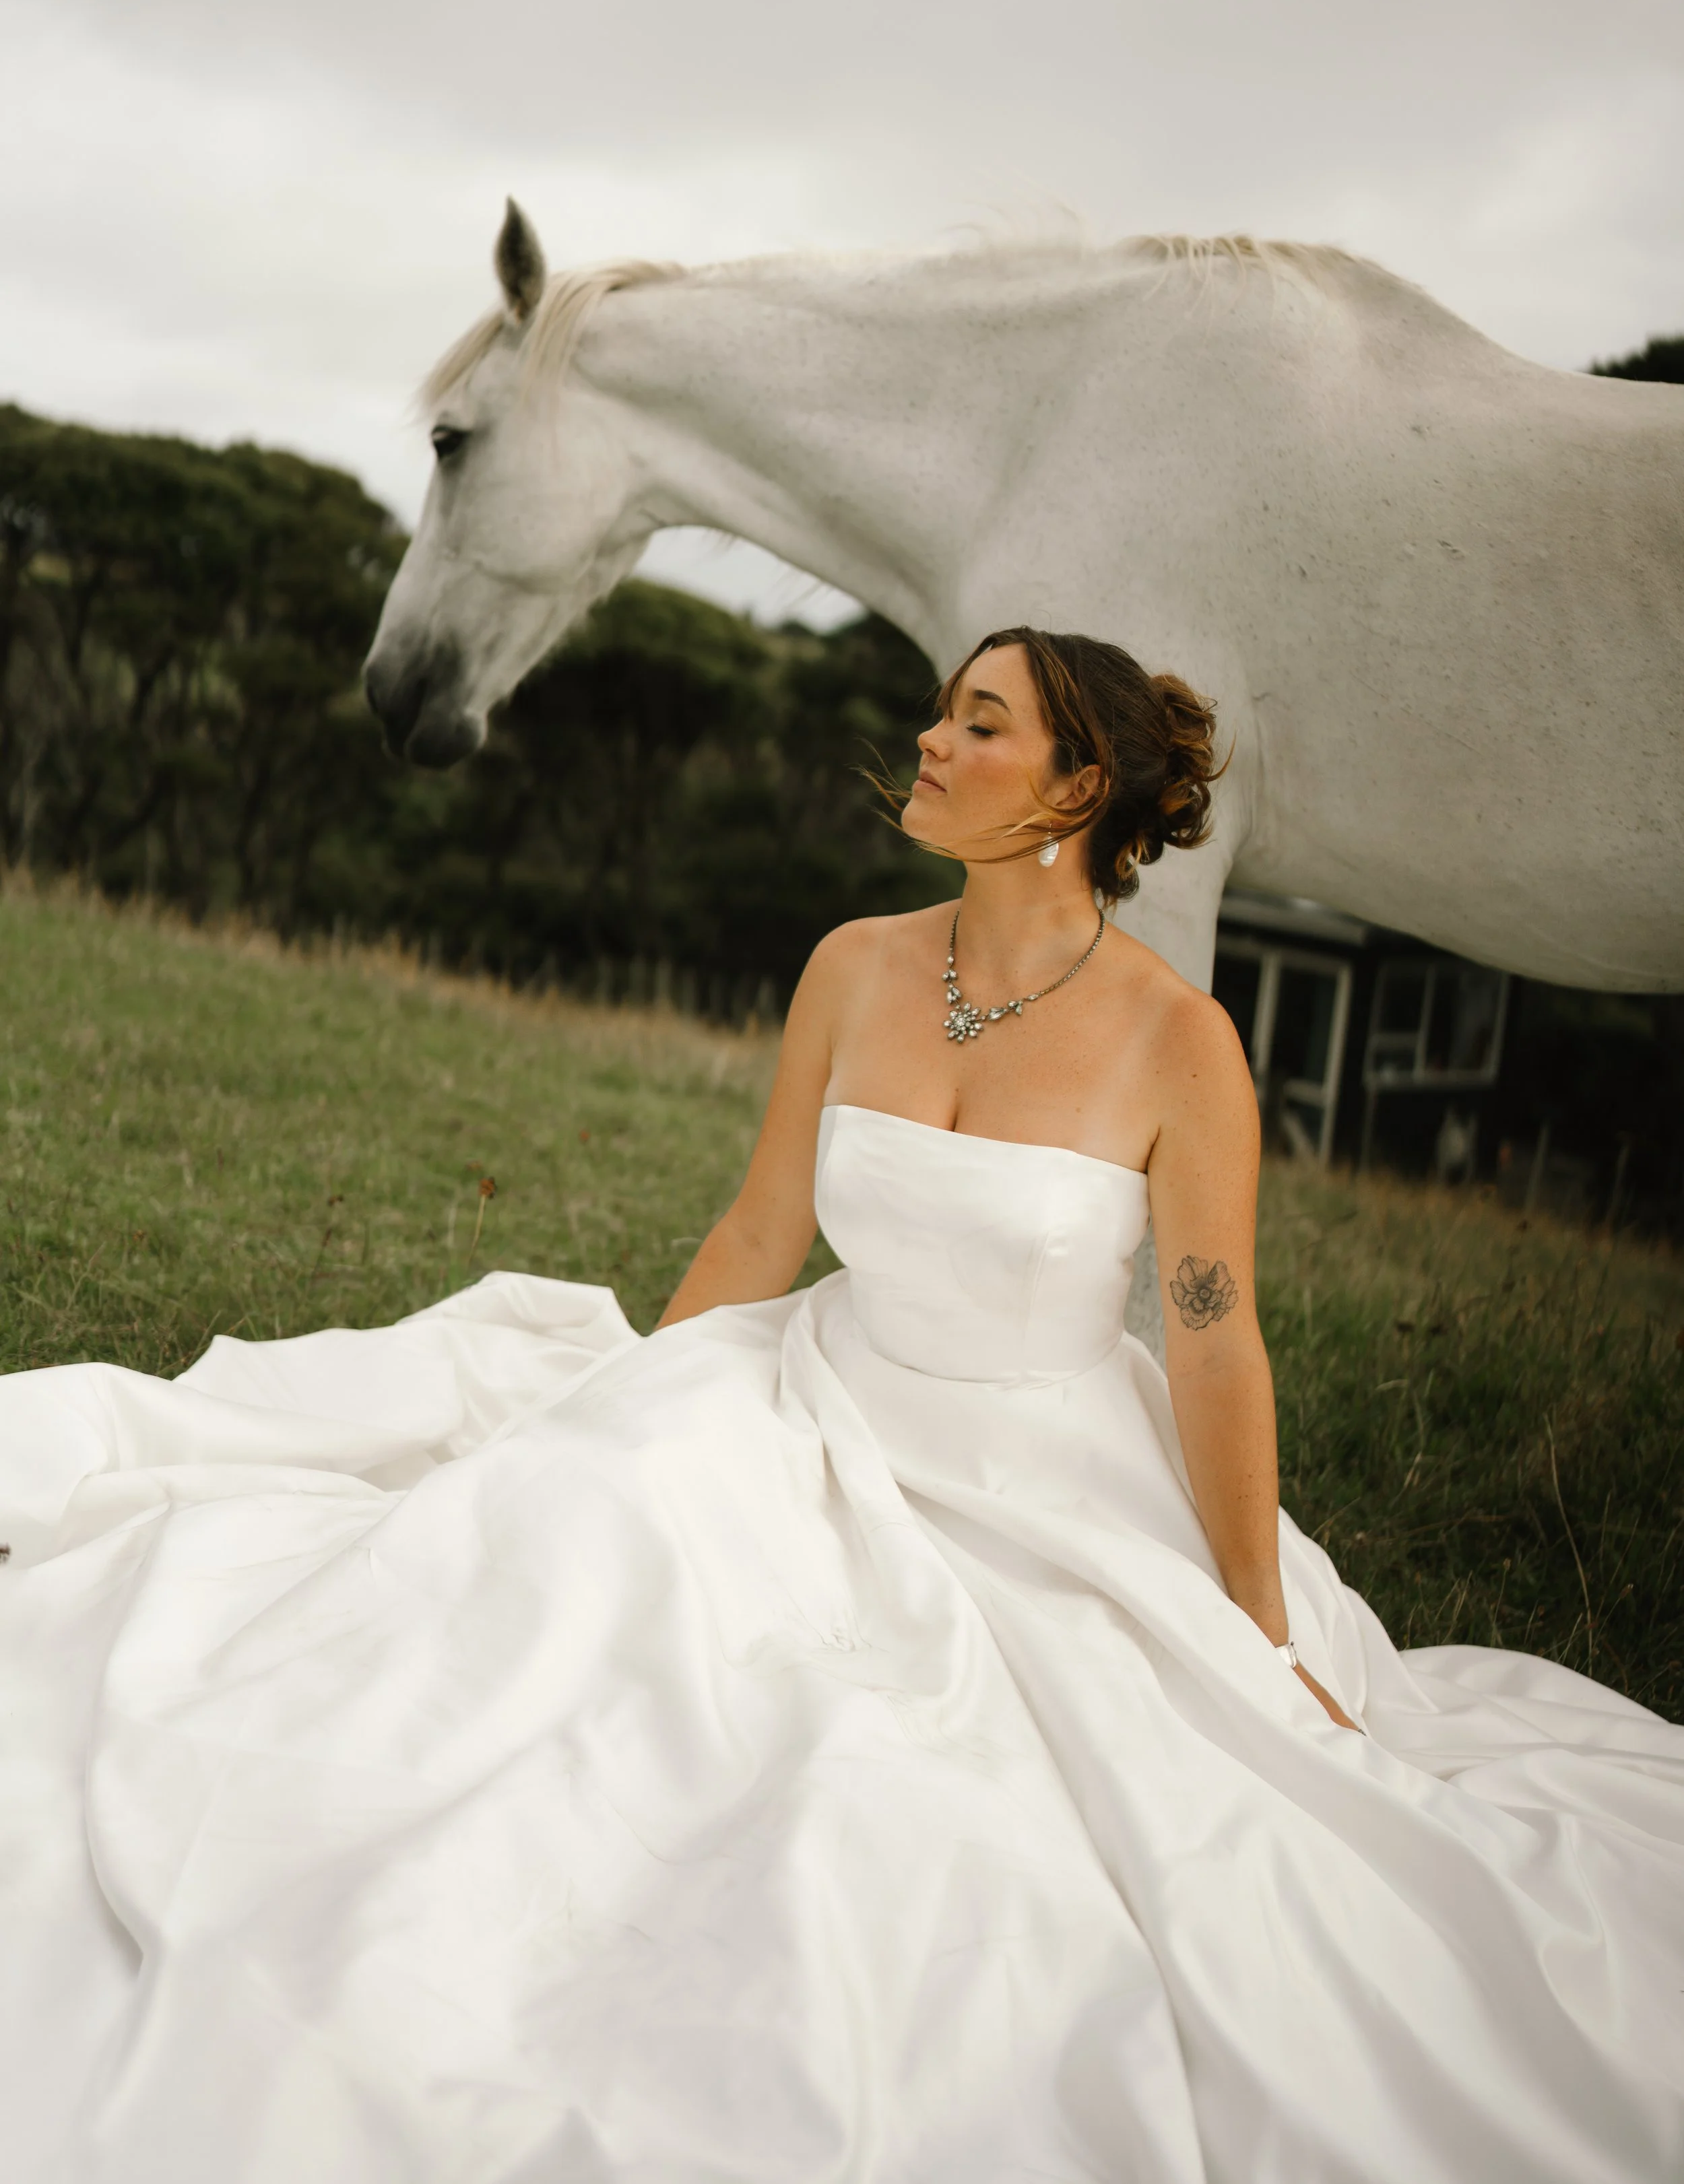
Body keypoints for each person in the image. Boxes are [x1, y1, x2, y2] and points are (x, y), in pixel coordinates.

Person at [3, 628, 1682, 2184]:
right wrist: (621, 1409)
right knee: (575, 1575)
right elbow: (757, 1231)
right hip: (817, 1388)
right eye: (943, 709)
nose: (930, 741)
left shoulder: (1179, 1043)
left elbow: (1211, 1339)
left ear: (1077, 790)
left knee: (943, 1785)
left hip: (1045, 1465)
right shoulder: (855, 965)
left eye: (979, 721)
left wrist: (1252, 1617)